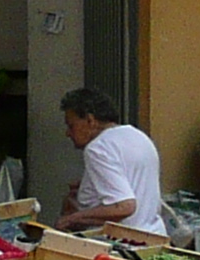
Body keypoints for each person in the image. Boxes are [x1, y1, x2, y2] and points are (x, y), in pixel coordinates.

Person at [56, 88, 166, 237]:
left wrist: (71, 218)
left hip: (123, 243)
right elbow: (131, 182)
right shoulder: (137, 136)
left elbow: (124, 206)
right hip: (154, 235)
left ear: (90, 120)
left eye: (71, 126)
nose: (68, 133)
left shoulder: (97, 148)